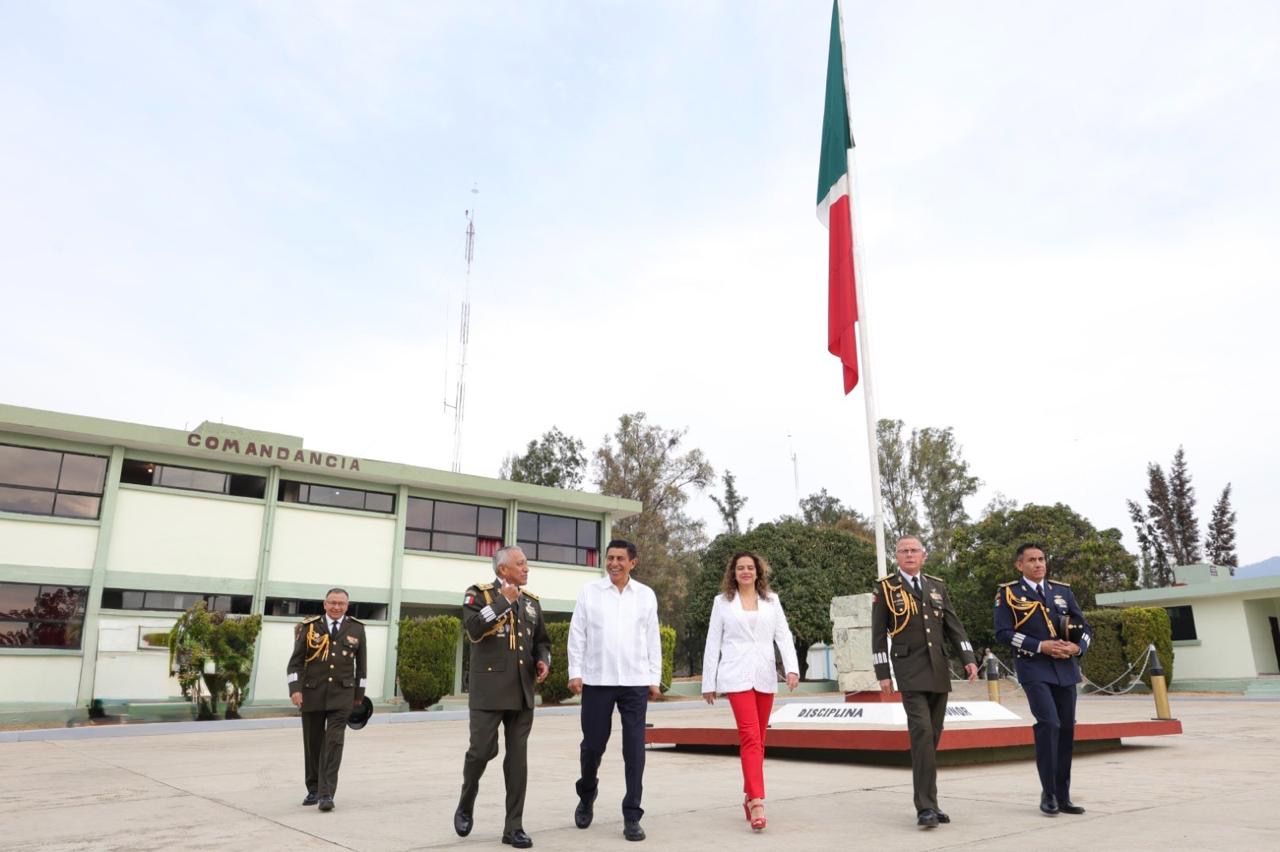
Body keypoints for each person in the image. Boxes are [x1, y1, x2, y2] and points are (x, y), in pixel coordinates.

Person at [871, 537, 978, 828]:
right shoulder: (886, 588)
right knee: (922, 733)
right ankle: (926, 807)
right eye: (903, 551)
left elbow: (953, 626)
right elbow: (878, 634)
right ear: (896, 556)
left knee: (932, 738)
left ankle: (931, 802)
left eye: (914, 550)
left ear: (924, 555)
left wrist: (968, 657)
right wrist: (883, 672)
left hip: (939, 669)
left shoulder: (936, 586)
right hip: (908, 670)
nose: (909, 555)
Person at [454, 545, 550, 849]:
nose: (526, 568)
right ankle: (466, 800)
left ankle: (513, 827)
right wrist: (502, 602)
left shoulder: (532, 602)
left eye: (526, 563)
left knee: (517, 761)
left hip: (522, 692)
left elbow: (542, 641)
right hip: (489, 692)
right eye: (520, 564)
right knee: (481, 752)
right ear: (502, 570)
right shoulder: (478, 594)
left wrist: (543, 660)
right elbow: (473, 629)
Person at [567, 538, 661, 842]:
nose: (614, 564)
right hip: (598, 680)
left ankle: (632, 814)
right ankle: (587, 794)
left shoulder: (645, 595)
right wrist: (575, 672)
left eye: (620, 558)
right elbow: (577, 634)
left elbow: (652, 638)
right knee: (592, 745)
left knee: (634, 749)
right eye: (610, 558)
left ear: (633, 562)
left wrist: (654, 678)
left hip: (635, 681)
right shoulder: (590, 592)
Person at [700, 551, 800, 832]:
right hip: (735, 676)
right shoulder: (721, 603)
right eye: (740, 568)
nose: (745, 572)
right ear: (733, 573)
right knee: (750, 737)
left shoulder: (772, 601)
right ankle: (757, 802)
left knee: (759, 740)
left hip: (764, 675)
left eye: (750, 568)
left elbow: (783, 636)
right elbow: (713, 642)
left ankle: (748, 795)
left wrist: (792, 669)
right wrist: (708, 682)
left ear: (758, 572)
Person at [994, 542, 1093, 817]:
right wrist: (1040, 646)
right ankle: (1048, 792)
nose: (1038, 564)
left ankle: (1063, 795)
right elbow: (1003, 633)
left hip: (1065, 668)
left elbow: (1084, 627)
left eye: (1041, 559)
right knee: (1049, 724)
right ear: (1020, 565)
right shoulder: (1009, 593)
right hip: (1033, 667)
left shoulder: (1062, 591)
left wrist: (1077, 648)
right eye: (1032, 560)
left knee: (1067, 728)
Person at [287, 587, 367, 813]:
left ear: (347, 606)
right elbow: (295, 662)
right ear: (325, 604)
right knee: (313, 744)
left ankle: (326, 793)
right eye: (332, 602)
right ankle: (313, 788)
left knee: (333, 743)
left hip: (342, 696)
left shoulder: (357, 628)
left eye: (341, 603)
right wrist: (295, 689)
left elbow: (362, 666)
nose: (336, 607)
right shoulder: (310, 627)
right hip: (312, 694)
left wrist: (359, 696)